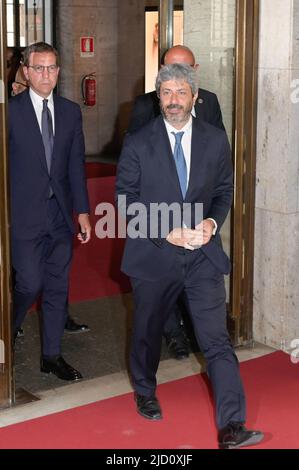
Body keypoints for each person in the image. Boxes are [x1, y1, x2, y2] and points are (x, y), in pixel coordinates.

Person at [116, 63, 264, 449]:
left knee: (216, 340)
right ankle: (145, 390)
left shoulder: (215, 140)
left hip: (202, 257)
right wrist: (165, 230)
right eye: (166, 93)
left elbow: (224, 190)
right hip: (154, 254)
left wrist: (213, 224)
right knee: (147, 333)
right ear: (158, 97)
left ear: (195, 97)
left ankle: (232, 424)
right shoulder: (138, 141)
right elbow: (125, 200)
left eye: (181, 92)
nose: (173, 101)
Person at [128, 45, 225, 361]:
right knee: (151, 316)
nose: (173, 94)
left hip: (198, 231)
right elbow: (132, 177)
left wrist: (210, 219)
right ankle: (172, 333)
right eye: (167, 78)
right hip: (158, 225)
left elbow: (219, 165)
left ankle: (191, 333)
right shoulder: (145, 110)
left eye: (183, 77)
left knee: (212, 332)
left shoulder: (209, 103)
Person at [9, 42, 91, 381]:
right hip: (23, 216)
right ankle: (7, 328)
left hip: (60, 215)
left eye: (52, 68)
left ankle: (52, 355)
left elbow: (76, 165)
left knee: (57, 286)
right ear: (26, 72)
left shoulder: (71, 112)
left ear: (59, 71)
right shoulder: (9, 112)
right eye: (39, 68)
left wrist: (83, 212)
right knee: (29, 282)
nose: (46, 74)